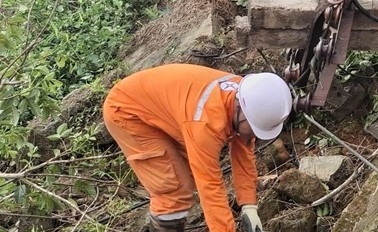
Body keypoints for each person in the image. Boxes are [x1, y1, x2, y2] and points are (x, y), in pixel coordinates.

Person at [102, 63, 294, 232]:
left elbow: (243, 154)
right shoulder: (206, 123)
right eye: (253, 129)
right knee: (174, 191)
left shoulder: (245, 96)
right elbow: (209, 185)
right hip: (128, 112)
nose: (253, 136)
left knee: (186, 177)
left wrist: (249, 205)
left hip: (168, 113)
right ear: (241, 111)